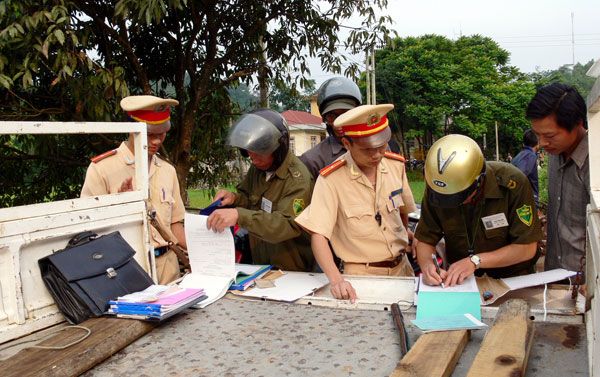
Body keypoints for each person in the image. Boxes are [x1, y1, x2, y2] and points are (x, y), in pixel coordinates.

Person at [295, 104, 416, 302]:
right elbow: (319, 236)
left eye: (382, 146)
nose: (377, 155)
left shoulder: (395, 166)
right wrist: (336, 280)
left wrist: (403, 237)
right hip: (361, 277)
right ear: (347, 143)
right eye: (367, 149)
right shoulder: (331, 179)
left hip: (402, 270)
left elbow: (402, 210)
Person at [81, 95, 186, 284]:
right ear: (132, 130)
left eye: (162, 134)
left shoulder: (168, 170)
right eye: (150, 134)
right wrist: (120, 208)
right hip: (127, 269)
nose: (156, 141)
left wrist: (201, 254)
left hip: (168, 268)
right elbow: (88, 230)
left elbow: (175, 224)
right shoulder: (102, 169)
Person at [415, 134, 542, 287]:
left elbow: (527, 248)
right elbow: (425, 239)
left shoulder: (513, 184)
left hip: (512, 281)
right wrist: (428, 266)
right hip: (462, 284)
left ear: (479, 180)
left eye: (460, 196)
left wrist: (475, 261)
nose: (454, 204)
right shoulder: (438, 191)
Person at [206, 108, 315, 272]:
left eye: (259, 155)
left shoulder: (298, 180)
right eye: (250, 155)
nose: (254, 160)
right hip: (262, 265)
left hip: (291, 270)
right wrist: (234, 198)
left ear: (278, 149)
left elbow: (286, 225)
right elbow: (250, 199)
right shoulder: (259, 168)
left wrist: (239, 215)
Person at [526, 83, 589, 273]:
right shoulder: (555, 153)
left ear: (577, 123)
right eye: (537, 135)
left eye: (549, 135)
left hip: (587, 282)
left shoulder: (593, 163)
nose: (543, 143)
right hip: (553, 274)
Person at [299, 77, 362, 179]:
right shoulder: (313, 160)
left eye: (345, 115)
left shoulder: (375, 147)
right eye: (332, 116)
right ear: (325, 118)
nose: (339, 123)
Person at [511, 129, 540, 205]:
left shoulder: (521, 154)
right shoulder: (530, 156)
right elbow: (520, 175)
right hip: (526, 201)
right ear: (537, 143)